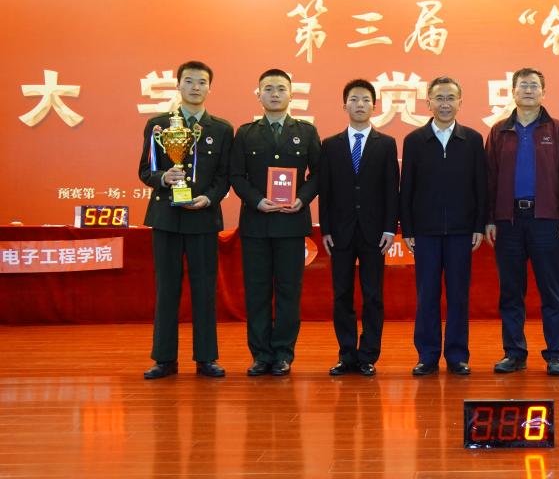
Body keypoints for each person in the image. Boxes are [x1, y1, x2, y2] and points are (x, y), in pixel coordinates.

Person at [138, 60, 233, 379]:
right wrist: (163, 177)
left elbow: (224, 176)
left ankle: (206, 358)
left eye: (202, 82)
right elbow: (145, 170)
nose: (195, 87)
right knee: (167, 288)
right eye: (189, 81)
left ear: (210, 87)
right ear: (178, 85)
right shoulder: (158, 125)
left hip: (203, 218)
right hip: (166, 217)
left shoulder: (221, 129)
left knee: (205, 290)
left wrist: (210, 198)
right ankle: (164, 359)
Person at [484, 67, 559, 376]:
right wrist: (489, 219)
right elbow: (489, 179)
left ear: (543, 92)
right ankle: (514, 353)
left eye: (534, 85)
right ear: (512, 92)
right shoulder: (499, 131)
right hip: (508, 221)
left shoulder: (557, 130)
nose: (528, 90)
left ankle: (555, 354)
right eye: (522, 85)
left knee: (552, 292)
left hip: (546, 220)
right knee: (511, 292)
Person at [230, 69, 321, 377]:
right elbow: (236, 175)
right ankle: (260, 355)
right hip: (256, 223)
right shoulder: (246, 133)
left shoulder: (306, 131)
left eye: (281, 88)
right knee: (256, 291)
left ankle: (283, 353)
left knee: (288, 291)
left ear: (291, 94)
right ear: (259, 95)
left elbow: (318, 175)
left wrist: (302, 199)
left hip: (291, 224)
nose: (275, 94)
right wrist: (257, 200)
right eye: (268, 89)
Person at [400, 76, 487, 376]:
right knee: (427, 295)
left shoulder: (472, 139)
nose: (445, 103)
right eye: (439, 98)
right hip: (425, 232)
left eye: (451, 98)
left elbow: (481, 186)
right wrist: (407, 229)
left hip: (462, 232)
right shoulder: (414, 140)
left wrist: (478, 225)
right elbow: (406, 188)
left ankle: (457, 355)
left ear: (460, 102)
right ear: (428, 103)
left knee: (458, 295)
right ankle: (427, 355)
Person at [319, 79, 399, 377]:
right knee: (341, 294)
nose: (360, 104)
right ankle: (346, 354)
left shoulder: (386, 144)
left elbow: (392, 189)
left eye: (365, 99)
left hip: (374, 233)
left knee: (372, 295)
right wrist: (326, 229)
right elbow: (325, 190)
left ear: (374, 106)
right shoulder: (330, 145)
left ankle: (368, 356)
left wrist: (390, 228)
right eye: (354, 99)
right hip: (339, 232)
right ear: (345, 105)